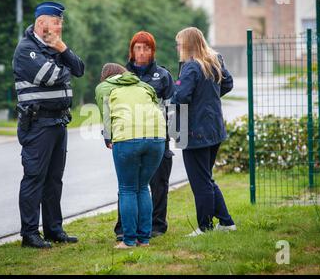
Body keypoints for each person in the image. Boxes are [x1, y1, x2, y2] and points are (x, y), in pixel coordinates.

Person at [13, 1, 84, 248]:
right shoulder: (26, 49)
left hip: (58, 121)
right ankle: (30, 234)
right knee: (34, 178)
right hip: (38, 123)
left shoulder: (54, 46)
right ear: (41, 22)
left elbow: (79, 69)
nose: (59, 27)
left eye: (61, 23)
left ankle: (54, 229)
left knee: (54, 179)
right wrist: (63, 63)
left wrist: (62, 49)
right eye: (56, 22)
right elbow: (52, 76)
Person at [172, 27, 236, 236]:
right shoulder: (213, 60)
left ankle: (205, 227)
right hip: (214, 129)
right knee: (206, 178)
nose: (177, 47)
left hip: (194, 132)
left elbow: (181, 97)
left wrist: (170, 101)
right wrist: (208, 97)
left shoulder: (191, 67)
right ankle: (226, 222)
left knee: (200, 182)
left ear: (188, 44)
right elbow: (228, 83)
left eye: (179, 43)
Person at [95, 63, 166, 248]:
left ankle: (128, 240)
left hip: (127, 138)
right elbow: (157, 105)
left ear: (106, 77)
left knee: (127, 188)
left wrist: (108, 138)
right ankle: (144, 239)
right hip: (157, 137)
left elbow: (106, 115)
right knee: (143, 187)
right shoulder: (143, 85)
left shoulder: (104, 88)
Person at [113, 31, 174, 240]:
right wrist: (108, 136)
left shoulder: (163, 76)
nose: (141, 52)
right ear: (131, 51)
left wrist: (172, 137)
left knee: (158, 184)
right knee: (127, 186)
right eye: (137, 48)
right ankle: (124, 228)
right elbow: (108, 106)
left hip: (157, 138)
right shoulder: (119, 77)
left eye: (146, 48)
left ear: (152, 51)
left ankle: (156, 226)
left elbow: (174, 107)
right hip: (127, 138)